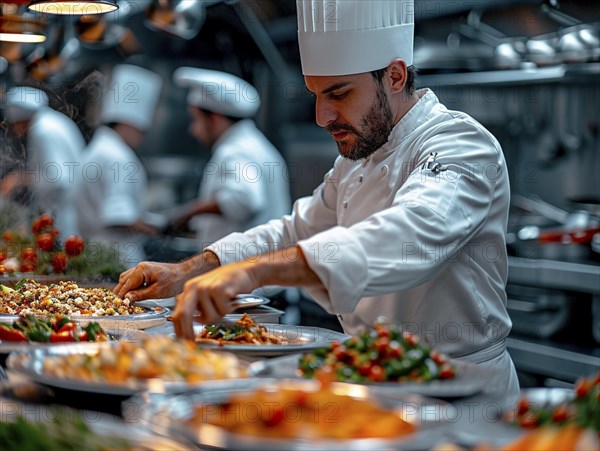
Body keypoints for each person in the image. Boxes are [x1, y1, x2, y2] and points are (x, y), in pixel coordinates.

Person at [115, 0, 519, 393]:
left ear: (395, 77)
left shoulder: (459, 144)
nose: (322, 116)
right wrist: (190, 270)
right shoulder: (359, 158)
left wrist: (253, 272)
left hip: (458, 392)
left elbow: (408, 235)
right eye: (316, 95)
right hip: (368, 385)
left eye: (339, 94)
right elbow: (293, 232)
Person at [165, 67, 291, 247]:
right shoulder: (256, 144)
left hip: (243, 269)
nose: (193, 130)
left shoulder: (235, 151)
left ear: (214, 118)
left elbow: (242, 201)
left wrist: (188, 212)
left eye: (196, 120)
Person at [77, 64, 163, 268]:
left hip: (93, 251)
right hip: (117, 257)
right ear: (129, 123)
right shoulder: (118, 156)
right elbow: (118, 216)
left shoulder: (97, 148)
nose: (142, 137)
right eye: (142, 130)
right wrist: (157, 229)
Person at [2, 86, 86, 239]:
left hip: (60, 215)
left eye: (14, 124)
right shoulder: (53, 121)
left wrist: (21, 179)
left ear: (21, 119)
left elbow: (56, 180)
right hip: (72, 209)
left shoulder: (42, 131)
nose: (14, 130)